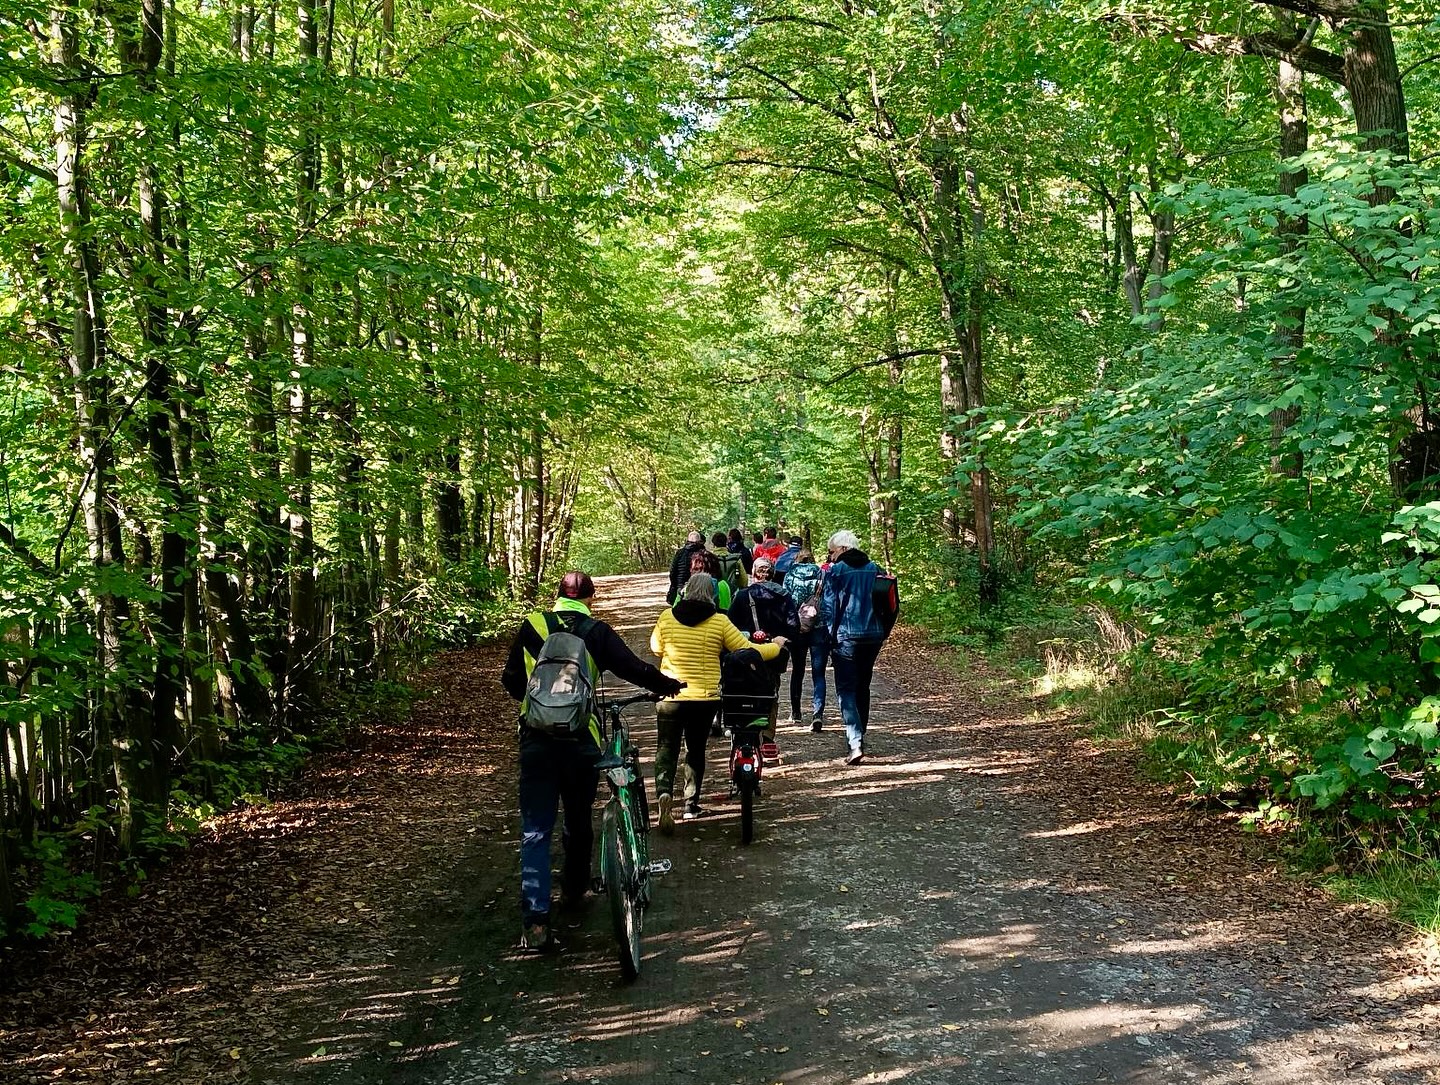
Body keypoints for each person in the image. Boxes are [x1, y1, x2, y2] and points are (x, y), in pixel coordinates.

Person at [501, 572, 683, 953]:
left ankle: (535, 921)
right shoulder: (596, 630)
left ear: (557, 595)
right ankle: (574, 887)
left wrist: (536, 708)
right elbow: (633, 668)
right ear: (591, 597)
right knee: (578, 818)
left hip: (536, 739)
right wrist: (667, 685)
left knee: (535, 830)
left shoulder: (533, 625)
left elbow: (511, 678)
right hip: (581, 740)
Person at [650, 574, 785, 830]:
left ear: (685, 591)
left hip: (670, 695)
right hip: (704, 698)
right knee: (695, 749)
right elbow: (746, 650)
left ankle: (663, 793)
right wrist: (776, 646)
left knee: (666, 748)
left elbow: (656, 648)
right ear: (711, 595)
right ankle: (690, 805)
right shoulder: (718, 621)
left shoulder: (667, 617)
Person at [819, 531, 892, 765]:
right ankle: (861, 735)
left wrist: (830, 637)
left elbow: (828, 607)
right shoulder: (875, 568)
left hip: (846, 638)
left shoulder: (837, 571)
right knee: (863, 686)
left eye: (831, 552)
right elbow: (888, 603)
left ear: (841, 549)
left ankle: (855, 741)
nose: (830, 557)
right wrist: (884, 632)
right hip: (873, 636)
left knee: (846, 689)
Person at [730, 556, 799, 763]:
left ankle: (746, 737)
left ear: (753, 573)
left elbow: (730, 625)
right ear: (772, 573)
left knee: (745, 693)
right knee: (771, 694)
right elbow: (794, 626)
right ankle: (767, 738)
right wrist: (781, 640)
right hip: (774, 656)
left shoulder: (742, 596)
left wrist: (746, 636)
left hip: (746, 655)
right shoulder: (784, 596)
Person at [781, 548, 826, 730]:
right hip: (818, 626)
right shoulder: (821, 574)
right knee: (818, 673)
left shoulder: (790, 576)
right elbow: (826, 600)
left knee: (797, 670)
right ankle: (818, 713)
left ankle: (796, 711)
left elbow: (786, 601)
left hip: (797, 627)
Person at [667, 530, 707, 604]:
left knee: (680, 610)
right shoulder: (703, 553)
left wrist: (675, 585)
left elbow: (673, 571)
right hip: (698, 587)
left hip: (681, 586)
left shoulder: (680, 553)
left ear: (687, 540)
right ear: (699, 541)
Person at [711, 531, 748, 597]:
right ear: (726, 543)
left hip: (714, 595)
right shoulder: (736, 559)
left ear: (713, 544)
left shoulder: (709, 559)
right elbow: (744, 581)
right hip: (732, 594)